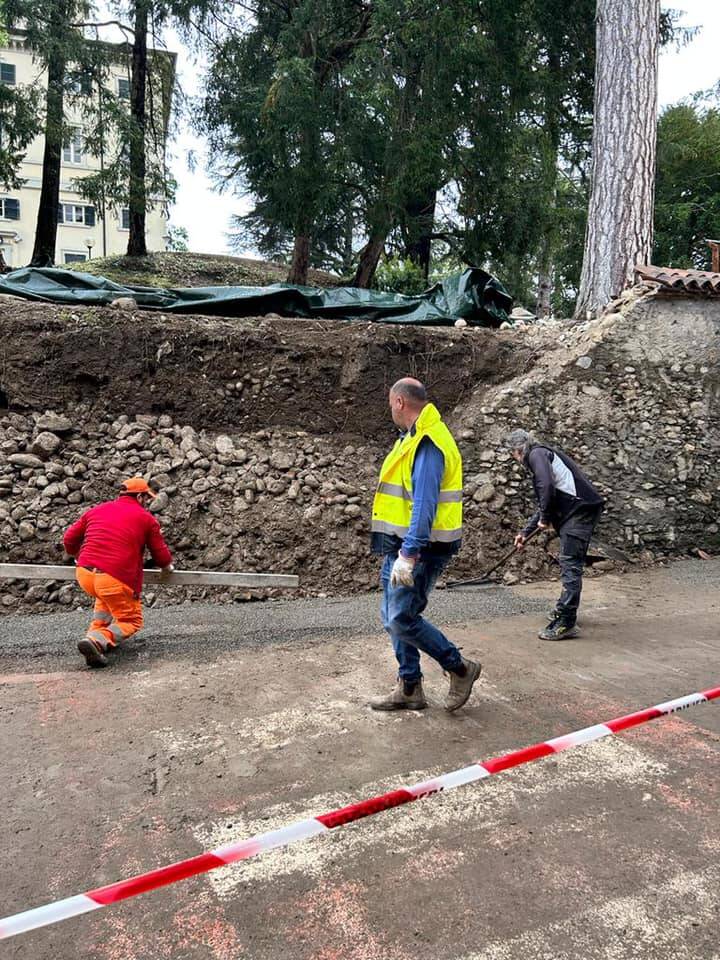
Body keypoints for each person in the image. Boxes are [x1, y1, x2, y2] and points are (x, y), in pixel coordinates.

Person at [370, 378, 482, 712]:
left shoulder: (429, 443)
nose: (390, 409)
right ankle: (410, 687)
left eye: (391, 403)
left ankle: (460, 668)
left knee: (401, 617)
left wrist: (409, 553)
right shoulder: (413, 438)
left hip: (415, 550)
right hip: (398, 547)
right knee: (393, 614)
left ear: (400, 402)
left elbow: (424, 505)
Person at [63, 477, 174, 668]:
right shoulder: (146, 519)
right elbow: (160, 554)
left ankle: (93, 639)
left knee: (106, 602)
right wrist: (167, 568)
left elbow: (69, 539)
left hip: (85, 574)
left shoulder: (97, 510)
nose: (147, 503)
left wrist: (76, 555)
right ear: (140, 497)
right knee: (131, 620)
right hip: (114, 577)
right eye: (146, 499)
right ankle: (99, 640)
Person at [505, 429, 604, 640]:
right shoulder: (541, 456)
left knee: (570, 562)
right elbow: (546, 499)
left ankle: (567, 621)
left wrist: (546, 517)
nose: (515, 459)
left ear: (517, 450)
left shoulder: (536, 454)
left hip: (580, 511)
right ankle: (563, 610)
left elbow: (547, 487)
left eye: (513, 454)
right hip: (577, 511)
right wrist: (526, 532)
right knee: (569, 562)